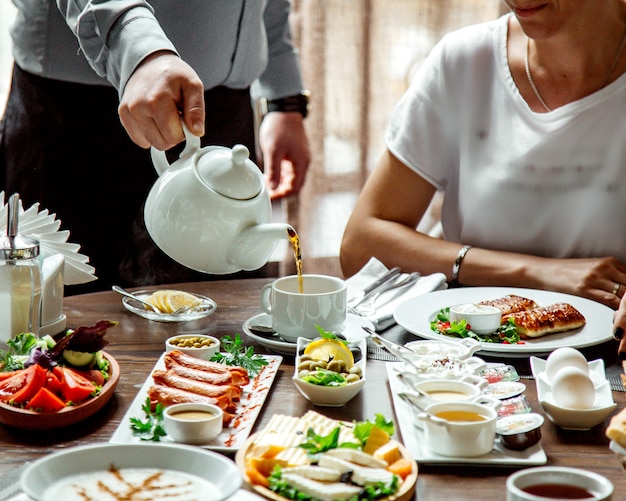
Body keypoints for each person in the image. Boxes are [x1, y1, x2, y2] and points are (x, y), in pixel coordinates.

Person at [340, 1, 626, 354]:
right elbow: (361, 245)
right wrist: (534, 272)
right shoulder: (464, 62)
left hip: (610, 362)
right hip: (459, 355)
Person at [0, 1, 310, 294]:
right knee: (65, 332)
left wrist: (283, 96)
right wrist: (139, 50)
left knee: (222, 333)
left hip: (222, 114)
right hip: (79, 116)